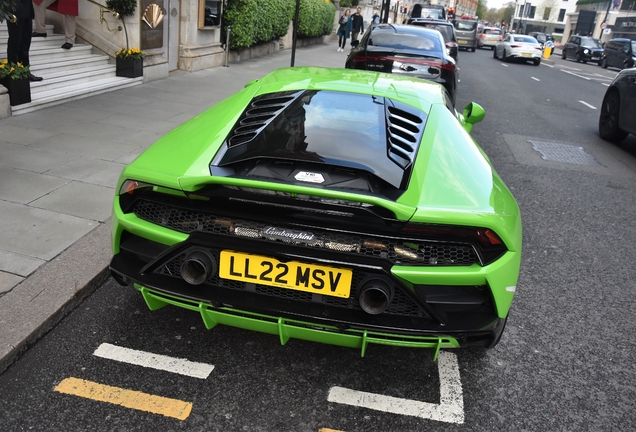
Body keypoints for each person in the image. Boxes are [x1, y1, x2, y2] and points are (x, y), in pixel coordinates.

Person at [4, 0, 42, 81]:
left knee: (25, 44)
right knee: (15, 43)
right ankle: (13, 72)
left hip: (27, 11)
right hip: (15, 11)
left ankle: (25, 72)